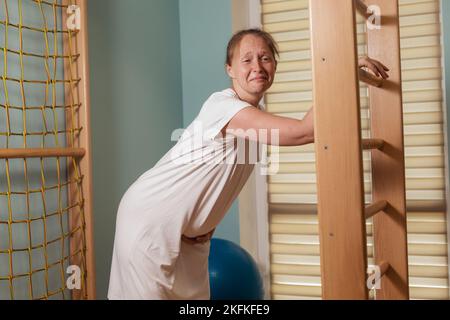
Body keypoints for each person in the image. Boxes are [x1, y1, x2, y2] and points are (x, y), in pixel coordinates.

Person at [107, 28, 389, 300]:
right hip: (149, 222)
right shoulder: (223, 107)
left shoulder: (255, 114)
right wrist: (342, 70)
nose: (258, 66)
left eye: (265, 58)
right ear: (230, 69)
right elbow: (305, 131)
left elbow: (221, 178)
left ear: (275, 65)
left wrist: (203, 224)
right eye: (247, 59)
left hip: (190, 240)